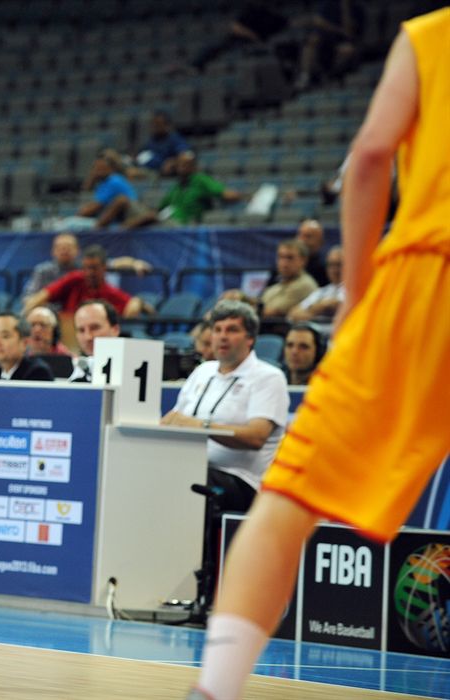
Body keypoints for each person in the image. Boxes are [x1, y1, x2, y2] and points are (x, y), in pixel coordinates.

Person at [189, 11, 450, 698]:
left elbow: (368, 158)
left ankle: (214, 688)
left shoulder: (432, 35)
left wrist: (357, 294)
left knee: (290, 498)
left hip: (428, 280)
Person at [161, 300, 289, 626]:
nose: (222, 337)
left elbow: (256, 436)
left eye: (232, 330)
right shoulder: (202, 373)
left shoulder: (268, 378)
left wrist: (201, 427)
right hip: (192, 469)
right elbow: (175, 420)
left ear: (250, 339)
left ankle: (204, 596)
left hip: (242, 480)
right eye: (217, 330)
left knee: (193, 481)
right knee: (157, 474)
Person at [22, 245, 147, 318]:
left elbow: (132, 308)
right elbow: (43, 295)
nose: (89, 273)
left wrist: (138, 302)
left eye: (94, 268)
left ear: (104, 268)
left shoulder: (110, 292)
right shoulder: (75, 278)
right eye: (86, 268)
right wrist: (26, 311)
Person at [156, 152, 245, 225]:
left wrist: (243, 196)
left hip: (190, 224)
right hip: (169, 222)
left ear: (194, 167)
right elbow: (162, 207)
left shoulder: (200, 180)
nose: (181, 168)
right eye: (180, 164)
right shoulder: (176, 187)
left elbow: (224, 193)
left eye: (186, 165)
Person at [77, 149, 156, 229]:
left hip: (131, 215)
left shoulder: (114, 181)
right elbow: (86, 190)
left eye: (99, 167)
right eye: (95, 167)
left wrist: (80, 215)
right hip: (117, 219)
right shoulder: (103, 182)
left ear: (109, 167)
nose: (95, 170)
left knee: (71, 224)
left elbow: (89, 210)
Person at [259, 239, 319, 319]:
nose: (284, 263)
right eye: (281, 257)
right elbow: (260, 303)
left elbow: (272, 312)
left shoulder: (305, 285)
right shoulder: (277, 283)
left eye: (290, 258)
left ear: (303, 260)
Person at [68, 299, 123, 382]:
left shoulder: (129, 371)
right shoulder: (76, 368)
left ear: (115, 330)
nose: (88, 337)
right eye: (81, 330)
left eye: (95, 328)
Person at [287, 245, 345, 322]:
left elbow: (335, 304)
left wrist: (313, 309)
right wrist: (319, 308)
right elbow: (293, 314)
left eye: (338, 265)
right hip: (316, 330)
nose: (334, 270)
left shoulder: (354, 291)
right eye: (330, 265)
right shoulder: (322, 291)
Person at [23, 232, 80, 297]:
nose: (65, 250)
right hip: (47, 305)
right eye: (60, 247)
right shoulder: (42, 270)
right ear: (53, 251)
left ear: (77, 250)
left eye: (69, 247)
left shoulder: (83, 271)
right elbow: (29, 295)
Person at [135, 111, 192, 176]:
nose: (155, 126)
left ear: (167, 125)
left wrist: (173, 162)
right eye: (154, 124)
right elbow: (141, 157)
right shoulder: (151, 141)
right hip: (149, 172)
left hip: (168, 174)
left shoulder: (175, 139)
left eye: (158, 124)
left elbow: (187, 155)